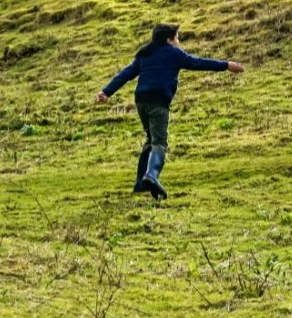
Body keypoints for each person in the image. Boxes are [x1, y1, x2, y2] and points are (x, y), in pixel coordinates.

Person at [96, 24, 245, 199]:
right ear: (169, 39)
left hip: (141, 101)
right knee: (159, 142)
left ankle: (139, 183)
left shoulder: (145, 53)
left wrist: (106, 91)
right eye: (177, 38)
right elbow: (197, 63)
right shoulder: (173, 53)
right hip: (158, 100)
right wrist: (226, 65)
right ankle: (151, 175)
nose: (178, 41)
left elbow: (126, 73)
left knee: (151, 139)